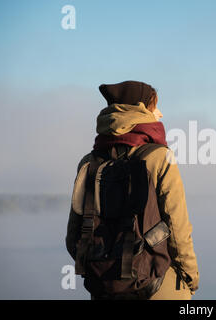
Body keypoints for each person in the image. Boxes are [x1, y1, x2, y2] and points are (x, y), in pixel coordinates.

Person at [66, 80, 199, 299]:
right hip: (156, 285)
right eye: (155, 106)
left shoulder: (88, 162)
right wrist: (189, 278)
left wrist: (103, 272)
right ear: (141, 110)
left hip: (103, 288)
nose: (161, 114)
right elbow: (179, 229)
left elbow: (73, 237)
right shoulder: (159, 157)